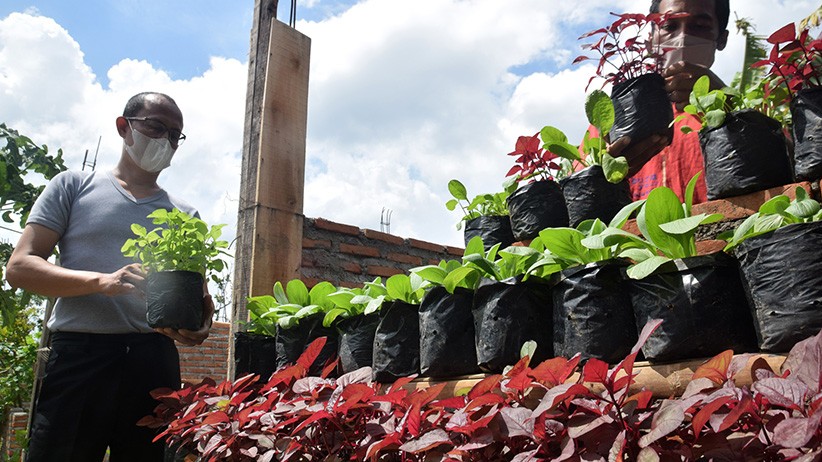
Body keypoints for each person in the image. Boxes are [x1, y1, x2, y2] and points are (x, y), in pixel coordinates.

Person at [6, 92, 215, 461]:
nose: (165, 140)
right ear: (124, 127)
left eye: (174, 135)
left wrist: (199, 326)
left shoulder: (185, 214)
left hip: (153, 360)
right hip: (80, 354)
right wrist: (100, 282)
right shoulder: (73, 186)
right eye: (156, 126)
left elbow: (195, 295)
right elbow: (20, 267)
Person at [608, 0, 730, 203]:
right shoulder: (612, 122)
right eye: (668, 26)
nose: (682, 38)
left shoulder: (739, 111)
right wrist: (603, 172)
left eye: (699, 26)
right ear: (650, 38)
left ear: (721, 39)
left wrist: (730, 106)